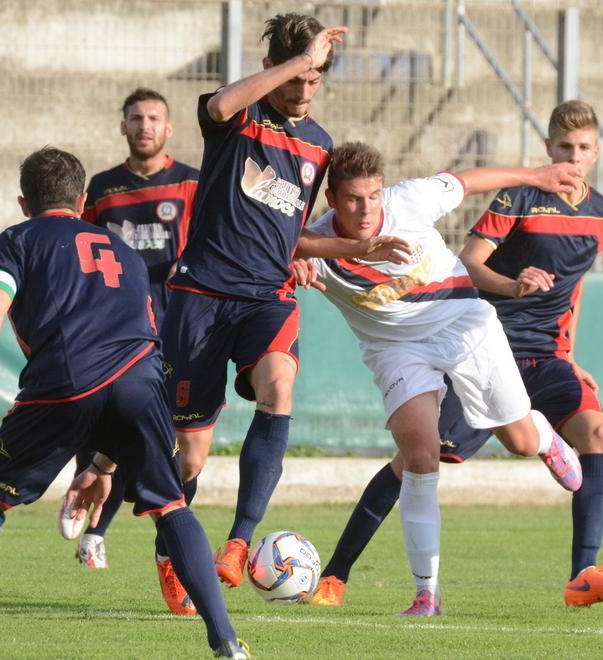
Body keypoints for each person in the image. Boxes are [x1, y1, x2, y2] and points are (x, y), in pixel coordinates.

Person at [308, 101, 603, 610]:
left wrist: (537, 176)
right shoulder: (314, 245)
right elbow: (268, 256)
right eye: (353, 200)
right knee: (419, 456)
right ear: (331, 199)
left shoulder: (407, 201)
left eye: (372, 197)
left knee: (519, 439)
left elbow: (467, 180)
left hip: (462, 324)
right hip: (394, 349)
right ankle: (425, 594)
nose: (367, 210)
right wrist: (299, 268)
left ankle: (544, 439)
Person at [0, 147, 248, 659]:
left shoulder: (18, 241)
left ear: (24, 203)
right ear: (83, 200)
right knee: (171, 506)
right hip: (141, 381)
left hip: (64, 382)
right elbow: (143, 335)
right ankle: (227, 644)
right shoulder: (122, 251)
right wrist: (105, 460)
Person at [159, 12, 409, 610]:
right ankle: (170, 556)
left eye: (315, 79)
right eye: (297, 76)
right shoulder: (238, 115)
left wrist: (355, 248)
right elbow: (216, 108)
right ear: (273, 67)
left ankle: (239, 542)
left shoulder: (319, 146)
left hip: (265, 296)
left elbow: (290, 236)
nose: (304, 89)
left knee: (279, 386)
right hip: (199, 296)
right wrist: (296, 61)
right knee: (189, 452)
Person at [71, 87, 200, 572]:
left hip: (182, 333)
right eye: (136, 118)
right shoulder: (102, 191)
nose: (144, 125)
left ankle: (163, 547)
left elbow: (219, 239)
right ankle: (99, 531)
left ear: (168, 129)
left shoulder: (192, 184)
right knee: (126, 432)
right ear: (122, 126)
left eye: (153, 118)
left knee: (185, 448)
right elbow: (76, 248)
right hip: (118, 334)